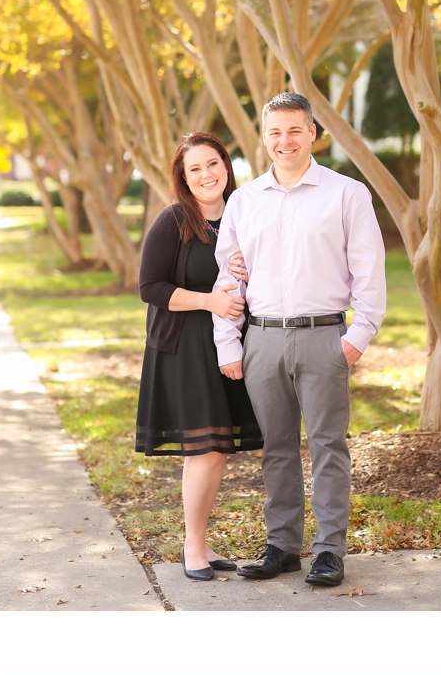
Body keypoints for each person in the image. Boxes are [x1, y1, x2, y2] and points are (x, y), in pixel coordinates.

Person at [213, 92, 386, 588]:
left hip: (324, 337)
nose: (284, 141)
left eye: (294, 130)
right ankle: (283, 546)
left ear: (312, 133)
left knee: (329, 445)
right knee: (277, 448)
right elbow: (229, 279)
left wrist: (355, 338)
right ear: (264, 137)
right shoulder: (244, 202)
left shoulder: (347, 194)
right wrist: (229, 344)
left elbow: (370, 275)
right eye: (275, 132)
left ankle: (330, 550)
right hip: (262, 339)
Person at [136, 133, 264, 581]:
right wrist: (208, 301)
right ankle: (192, 546)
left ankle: (203, 544)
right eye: (195, 169)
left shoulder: (245, 213)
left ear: (227, 166)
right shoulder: (174, 220)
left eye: (213, 164)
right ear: (183, 178)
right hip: (186, 347)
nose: (207, 175)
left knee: (218, 450)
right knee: (205, 450)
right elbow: (148, 287)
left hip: (230, 342)